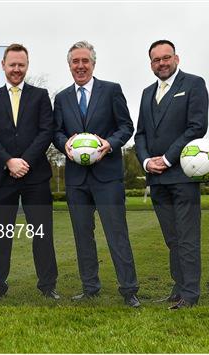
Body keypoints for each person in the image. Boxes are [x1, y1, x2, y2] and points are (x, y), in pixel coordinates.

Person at [53, 40, 140, 308]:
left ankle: (129, 289)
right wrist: (64, 143)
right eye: (75, 62)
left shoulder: (112, 90)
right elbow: (56, 132)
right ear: (69, 65)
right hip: (77, 179)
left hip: (107, 176)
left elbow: (126, 126)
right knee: (82, 234)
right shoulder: (62, 97)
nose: (80, 66)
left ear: (93, 63)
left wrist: (110, 143)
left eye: (85, 61)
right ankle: (90, 287)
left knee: (117, 234)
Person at [0, 44, 58, 303]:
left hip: (36, 177)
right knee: (1, 236)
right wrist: (8, 162)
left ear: (27, 65)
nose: (16, 69)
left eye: (21, 65)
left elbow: (46, 131)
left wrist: (24, 161)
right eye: (12, 64)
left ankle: (48, 286)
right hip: (3, 178)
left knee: (42, 234)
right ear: (3, 65)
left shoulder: (40, 95)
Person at [134, 39, 208, 309]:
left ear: (176, 58)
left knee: (188, 238)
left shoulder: (193, 84)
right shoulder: (145, 93)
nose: (162, 63)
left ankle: (190, 294)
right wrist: (145, 162)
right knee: (172, 238)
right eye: (156, 59)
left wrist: (166, 158)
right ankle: (178, 288)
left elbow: (197, 127)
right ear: (150, 63)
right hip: (156, 178)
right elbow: (139, 134)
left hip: (182, 176)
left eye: (166, 57)